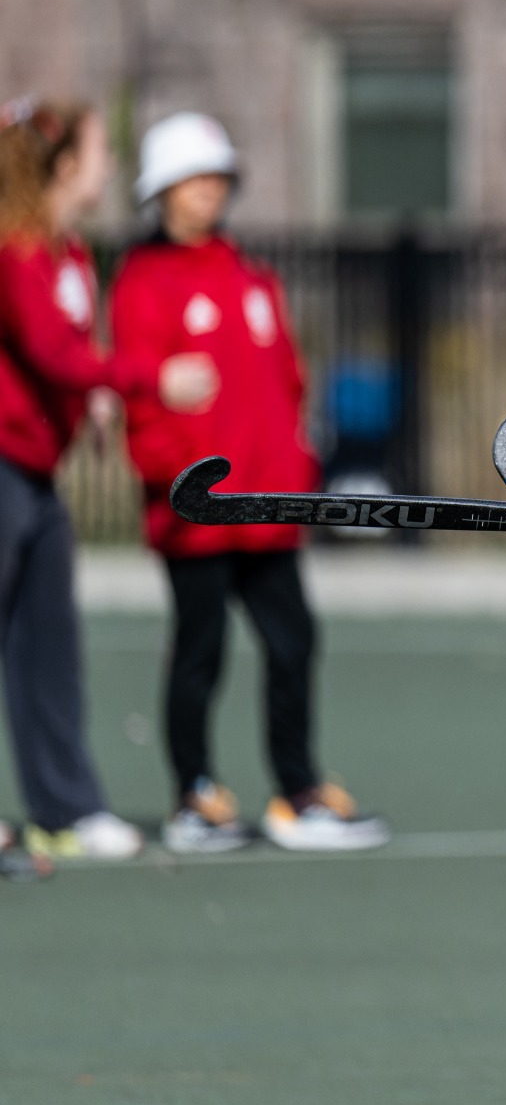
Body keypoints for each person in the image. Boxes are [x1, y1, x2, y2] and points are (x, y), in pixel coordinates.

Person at [111, 112, 390, 854]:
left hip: (268, 508)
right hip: (196, 515)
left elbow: (286, 381)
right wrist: (179, 480)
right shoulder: (143, 282)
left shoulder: (250, 275)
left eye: (217, 176)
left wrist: (295, 468)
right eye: (193, 177)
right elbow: (143, 404)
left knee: (294, 641)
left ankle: (298, 792)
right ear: (163, 190)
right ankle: (194, 796)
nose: (210, 189)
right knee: (199, 653)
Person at [0, 97, 216, 860]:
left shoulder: (69, 254)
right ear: (63, 166)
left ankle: (67, 807)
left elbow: (65, 356)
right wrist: (151, 378)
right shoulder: (17, 249)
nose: (111, 166)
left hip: (36, 474)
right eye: (98, 152)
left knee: (49, 644)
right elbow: (50, 351)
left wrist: (90, 400)